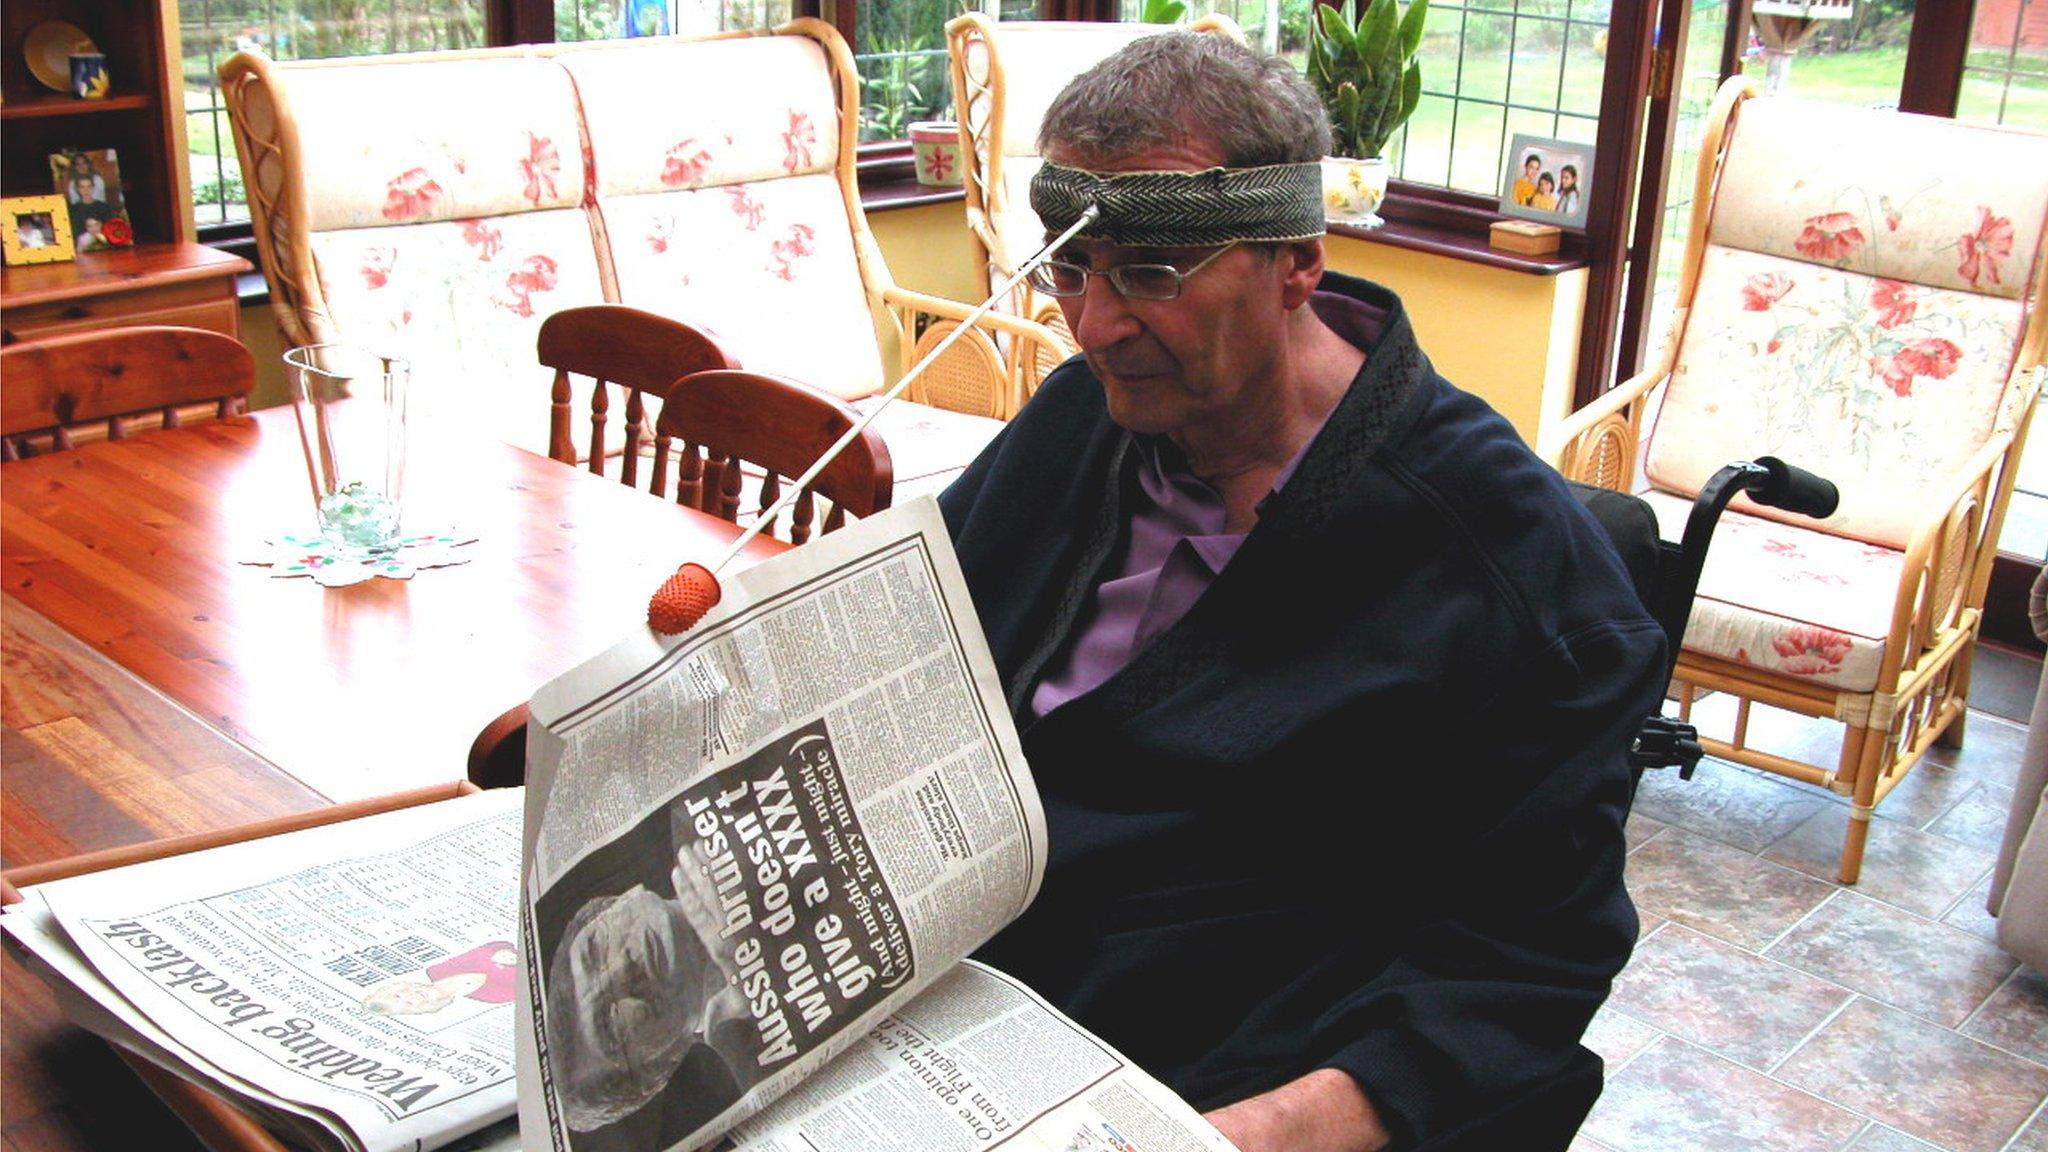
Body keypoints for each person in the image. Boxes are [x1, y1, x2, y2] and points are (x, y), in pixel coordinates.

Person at [939, 32, 1664, 1152]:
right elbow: (920, 639)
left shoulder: (1520, 580)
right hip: (959, 990)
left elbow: (1520, 966)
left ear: (1296, 262)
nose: (1091, 327)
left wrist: (1243, 1137)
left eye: (1151, 272)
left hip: (1211, 1073)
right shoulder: (1086, 419)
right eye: (1071, 269)